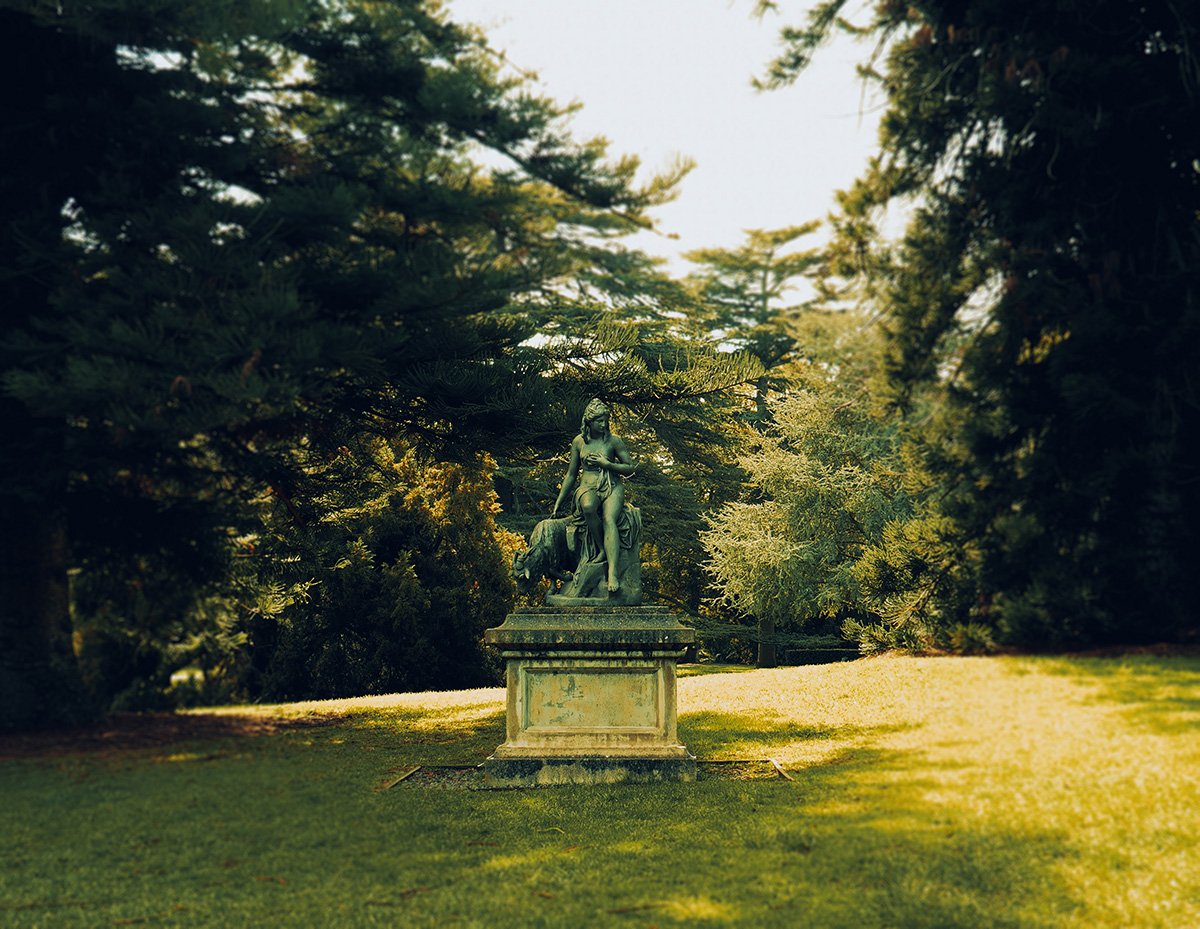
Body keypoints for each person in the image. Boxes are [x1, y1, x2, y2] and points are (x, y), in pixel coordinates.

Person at [552, 398, 636, 594]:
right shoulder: (579, 442)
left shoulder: (614, 441)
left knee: (609, 519)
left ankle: (612, 572)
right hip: (588, 486)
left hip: (611, 485)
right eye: (599, 420)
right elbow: (571, 474)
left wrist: (607, 465)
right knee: (588, 507)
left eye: (606, 419)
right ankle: (601, 549)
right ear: (588, 422)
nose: (604, 424)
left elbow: (630, 468)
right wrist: (559, 502)